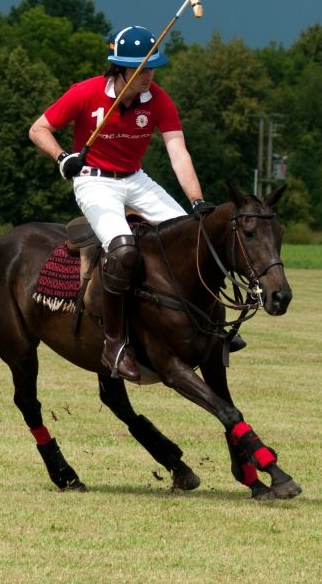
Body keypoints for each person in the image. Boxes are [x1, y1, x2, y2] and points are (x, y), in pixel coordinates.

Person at [29, 25, 215, 383]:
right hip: (95, 182)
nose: (149, 75)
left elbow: (178, 153)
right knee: (124, 250)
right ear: (120, 69)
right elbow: (39, 129)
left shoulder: (158, 99)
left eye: (152, 68)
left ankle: (211, 326)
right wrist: (62, 157)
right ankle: (114, 344)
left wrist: (197, 201)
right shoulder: (85, 93)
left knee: (196, 239)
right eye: (142, 69)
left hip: (136, 179)